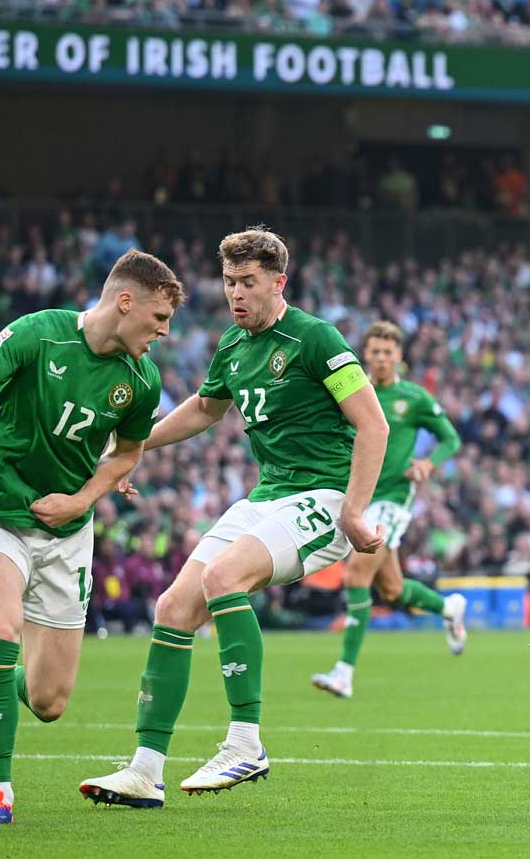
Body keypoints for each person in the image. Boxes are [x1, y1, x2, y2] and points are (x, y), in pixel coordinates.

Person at [78, 226, 387, 808]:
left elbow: (374, 425)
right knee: (173, 606)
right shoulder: (232, 344)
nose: (236, 293)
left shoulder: (316, 339)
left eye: (248, 282)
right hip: (265, 498)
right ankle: (146, 770)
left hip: (319, 499)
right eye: (228, 282)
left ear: (278, 282)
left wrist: (353, 510)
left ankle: (246, 742)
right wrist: (134, 450)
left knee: (223, 578)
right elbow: (202, 409)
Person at [0, 249, 180, 826]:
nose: (164, 333)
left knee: (48, 701)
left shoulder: (141, 380)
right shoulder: (38, 334)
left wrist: (82, 499)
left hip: (67, 531)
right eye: (159, 319)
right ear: (125, 301)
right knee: (0, 628)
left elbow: (129, 454)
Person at [311, 320, 466, 699]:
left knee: (356, 577)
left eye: (388, 352)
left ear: (399, 356)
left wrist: (428, 463)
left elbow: (450, 437)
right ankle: (448, 609)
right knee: (393, 590)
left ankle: (344, 672)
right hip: (359, 495)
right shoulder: (351, 392)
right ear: (366, 354)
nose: (381, 359)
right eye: (375, 352)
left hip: (395, 496)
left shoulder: (412, 398)